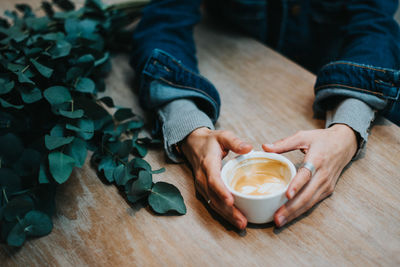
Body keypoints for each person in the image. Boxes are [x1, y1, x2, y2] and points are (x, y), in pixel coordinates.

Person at [130, 0, 400, 229]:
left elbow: (375, 24)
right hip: (239, 79)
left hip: (342, 83)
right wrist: (191, 129)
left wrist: (346, 131)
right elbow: (164, 21)